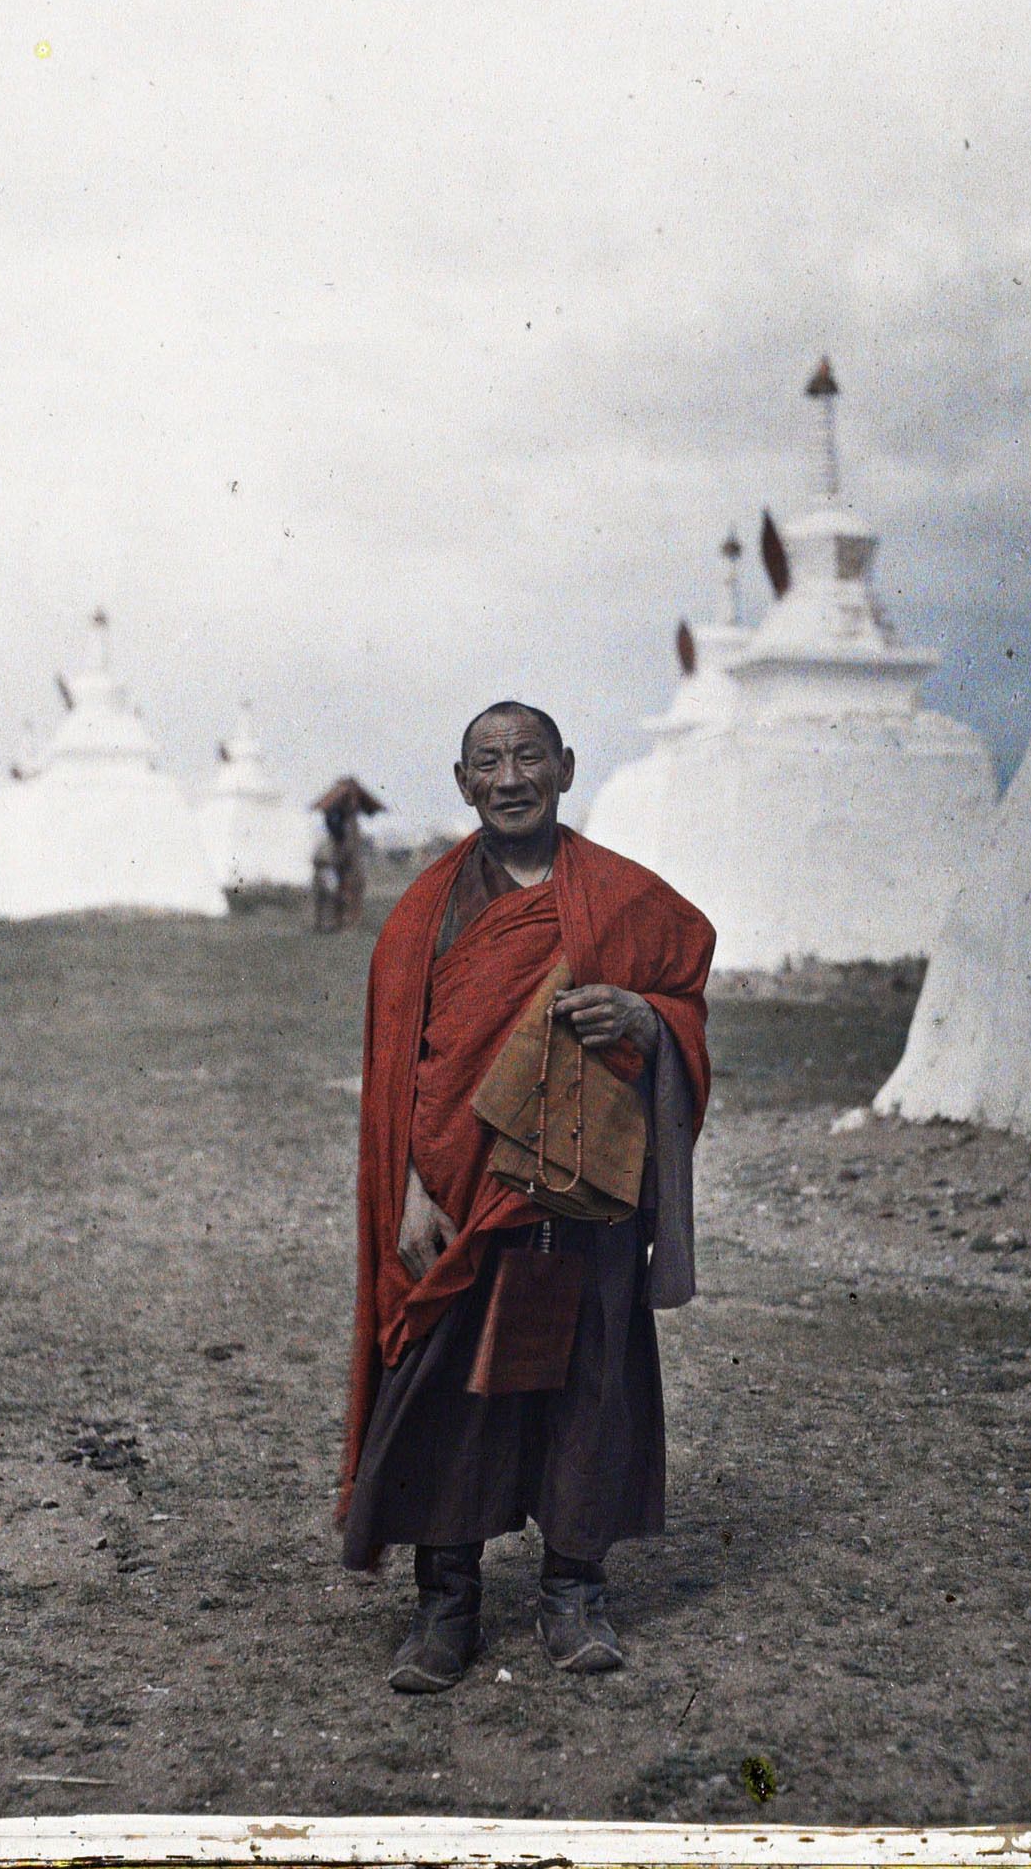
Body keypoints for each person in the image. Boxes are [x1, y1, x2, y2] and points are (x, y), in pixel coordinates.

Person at [337, 701, 716, 1692]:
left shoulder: (625, 898)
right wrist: (411, 1189)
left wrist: (643, 1012)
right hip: (460, 1188)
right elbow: (398, 1070)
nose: (511, 777)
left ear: (566, 768)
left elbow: (682, 991)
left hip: (586, 1182)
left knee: (589, 1377)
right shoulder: (427, 912)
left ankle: (573, 1591)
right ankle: (444, 1604)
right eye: (489, 761)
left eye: (529, 757)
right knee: (446, 1386)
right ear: (463, 782)